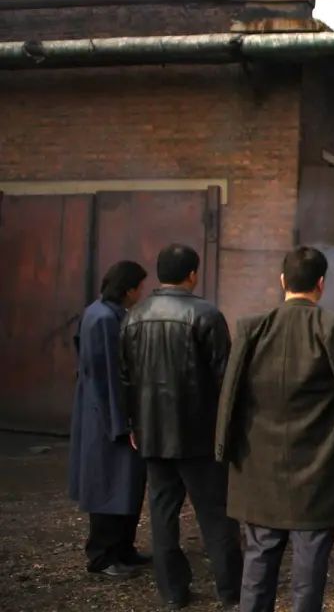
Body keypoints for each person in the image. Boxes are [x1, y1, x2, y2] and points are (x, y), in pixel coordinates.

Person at [215, 246, 334, 612]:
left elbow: (229, 395)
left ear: (282, 281)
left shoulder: (251, 328)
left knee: (258, 558)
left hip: (259, 466)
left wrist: (223, 447)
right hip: (317, 470)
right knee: (310, 564)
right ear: (321, 283)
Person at [119, 243, 241, 609]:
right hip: (199, 435)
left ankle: (173, 593)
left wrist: (133, 425)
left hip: (152, 433)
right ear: (192, 274)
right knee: (216, 516)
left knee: (162, 517)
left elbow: (125, 379)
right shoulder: (206, 314)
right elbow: (225, 378)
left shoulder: (133, 316)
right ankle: (230, 591)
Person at [69, 260, 150, 580]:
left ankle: (122, 548)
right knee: (107, 484)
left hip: (108, 411)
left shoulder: (103, 313)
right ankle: (103, 555)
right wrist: (120, 422)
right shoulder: (104, 319)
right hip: (107, 415)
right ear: (128, 289)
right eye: (139, 287)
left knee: (124, 483)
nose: (141, 293)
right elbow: (106, 377)